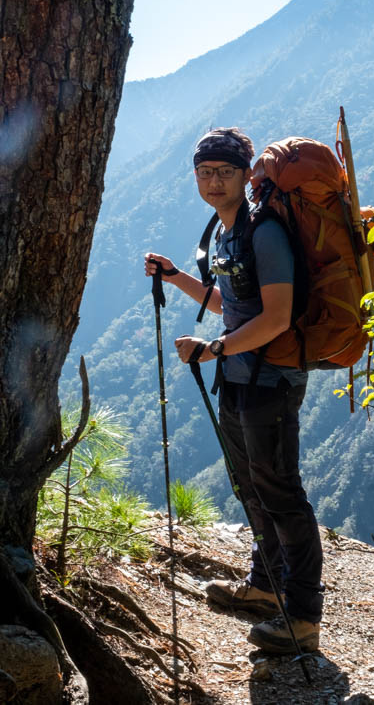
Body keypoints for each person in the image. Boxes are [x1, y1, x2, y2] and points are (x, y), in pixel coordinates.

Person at [144, 126, 323, 654]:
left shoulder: (263, 230)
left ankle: (304, 616)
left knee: (282, 494)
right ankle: (266, 587)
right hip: (240, 376)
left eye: (225, 172)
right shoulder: (227, 232)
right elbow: (233, 303)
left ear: (247, 175)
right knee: (250, 485)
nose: (214, 181)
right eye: (205, 172)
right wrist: (178, 278)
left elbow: (277, 317)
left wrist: (212, 350)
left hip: (271, 378)